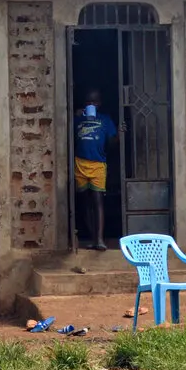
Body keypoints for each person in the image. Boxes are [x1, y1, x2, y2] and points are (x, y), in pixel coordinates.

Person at [72, 90, 119, 250]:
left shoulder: (105, 120)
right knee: (85, 202)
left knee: (98, 200)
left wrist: (119, 135)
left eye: (94, 102)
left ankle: (99, 239)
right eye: (88, 102)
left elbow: (112, 143)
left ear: (99, 104)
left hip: (98, 163)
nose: (91, 105)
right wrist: (75, 114)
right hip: (80, 163)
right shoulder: (78, 119)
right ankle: (92, 237)